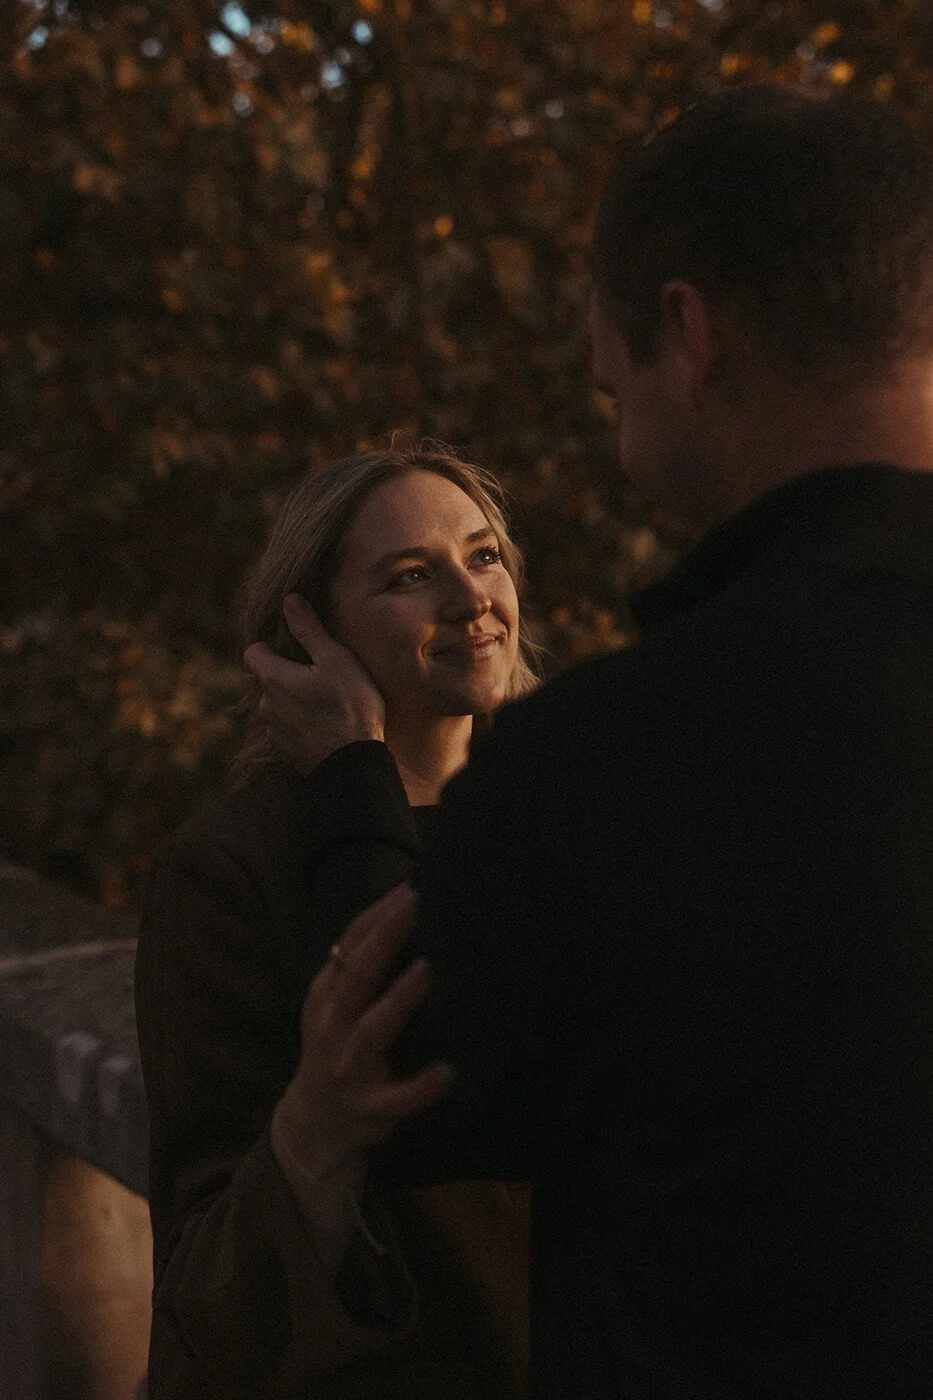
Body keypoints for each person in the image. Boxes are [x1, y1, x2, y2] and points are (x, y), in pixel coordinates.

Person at [250, 85, 933, 1398]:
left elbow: (389, 1075)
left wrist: (348, 778)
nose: (465, 601)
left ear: (687, 334)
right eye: (406, 574)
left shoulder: (608, 765)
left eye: (610, 390)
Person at [134, 443, 541, 1399]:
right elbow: (206, 1272)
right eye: (410, 577)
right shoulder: (229, 872)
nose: (469, 596)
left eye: (483, 556)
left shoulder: (563, 813)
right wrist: (314, 1130)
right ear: (310, 634)